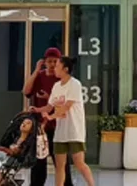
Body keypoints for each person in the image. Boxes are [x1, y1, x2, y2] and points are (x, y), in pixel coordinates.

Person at [44, 56, 94, 186]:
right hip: (61, 132)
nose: (54, 68)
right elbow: (49, 106)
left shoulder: (75, 84)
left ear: (65, 69)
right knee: (59, 165)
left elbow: (66, 107)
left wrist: (51, 117)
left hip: (74, 130)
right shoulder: (56, 86)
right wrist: (36, 111)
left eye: (57, 66)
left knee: (79, 162)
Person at [23, 47, 67, 186]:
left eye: (55, 61)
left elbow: (64, 102)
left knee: (61, 161)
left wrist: (49, 98)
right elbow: (26, 91)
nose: (52, 64)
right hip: (40, 126)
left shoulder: (62, 79)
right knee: (38, 161)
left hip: (57, 125)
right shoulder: (40, 76)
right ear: (45, 62)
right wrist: (36, 71)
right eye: (49, 61)